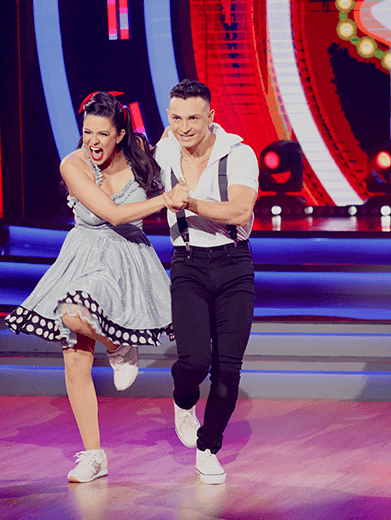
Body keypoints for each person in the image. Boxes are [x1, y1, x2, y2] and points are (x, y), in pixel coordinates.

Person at [5, 91, 189, 483]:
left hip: (128, 260)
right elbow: (112, 213)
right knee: (74, 347)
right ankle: (94, 453)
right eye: (87, 131)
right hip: (85, 257)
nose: (93, 140)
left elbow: (180, 143)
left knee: (73, 318)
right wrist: (165, 201)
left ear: (119, 134)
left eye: (102, 133)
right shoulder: (73, 164)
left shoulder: (142, 155)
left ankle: (119, 347)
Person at [155, 80, 258, 484]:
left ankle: (208, 447)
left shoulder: (238, 153)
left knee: (227, 370)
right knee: (194, 361)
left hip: (233, 264)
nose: (184, 127)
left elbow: (240, 211)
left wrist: (191, 202)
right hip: (188, 263)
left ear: (210, 117)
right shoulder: (164, 151)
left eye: (193, 118)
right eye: (177, 118)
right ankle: (183, 400)